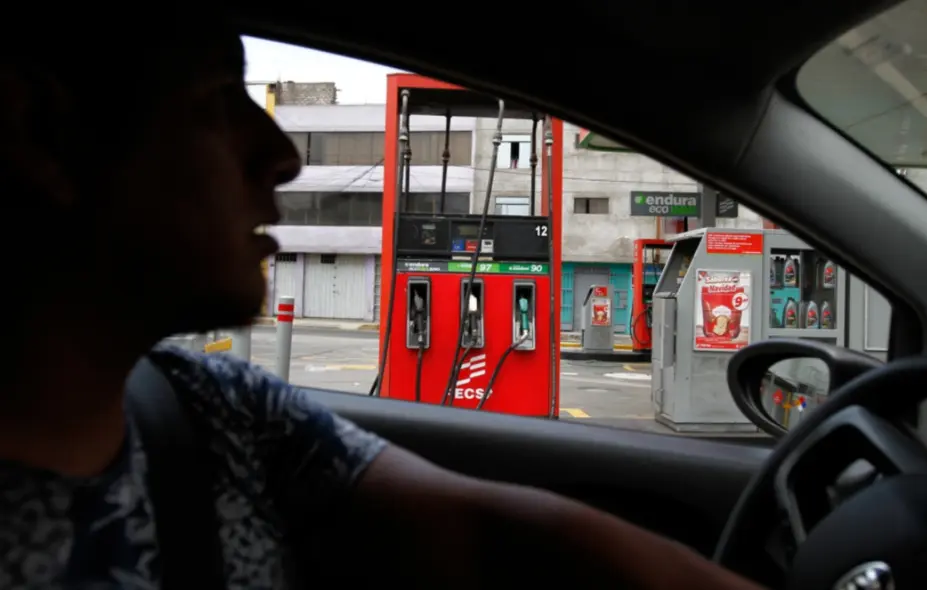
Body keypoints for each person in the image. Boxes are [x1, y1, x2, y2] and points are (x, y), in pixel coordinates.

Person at [0, 14, 763, 590]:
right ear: (44, 133)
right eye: (214, 102)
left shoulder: (211, 407)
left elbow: (502, 534)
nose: (283, 157)